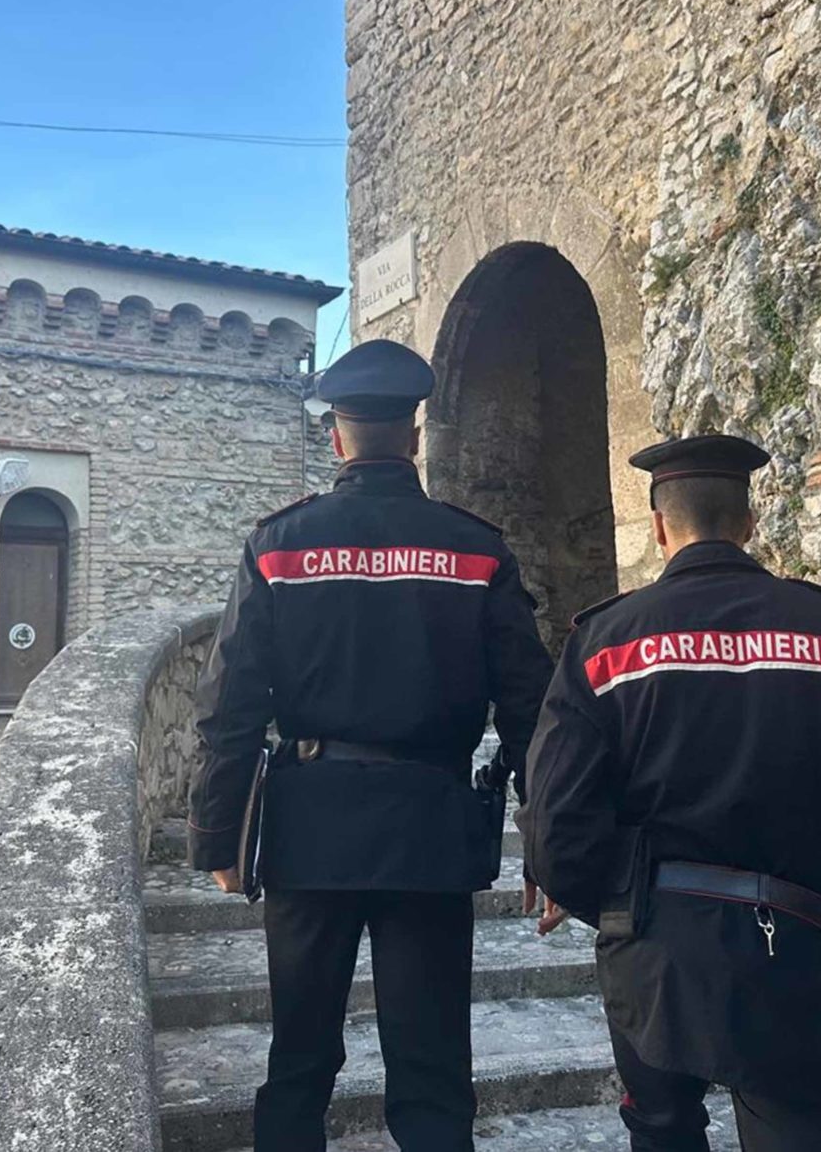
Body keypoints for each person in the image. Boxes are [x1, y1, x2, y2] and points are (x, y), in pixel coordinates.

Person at [519, 434, 821, 1152]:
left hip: (657, 959)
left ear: (659, 526)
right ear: (750, 522)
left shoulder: (605, 643)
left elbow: (555, 829)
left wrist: (623, 907)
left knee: (662, 1134)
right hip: (805, 951)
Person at [187, 338, 554, 1152]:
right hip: (430, 830)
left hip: (309, 830)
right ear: (415, 436)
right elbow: (532, 709)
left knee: (299, 1061)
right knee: (432, 1074)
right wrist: (551, 840)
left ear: (336, 439)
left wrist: (217, 834)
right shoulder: (476, 549)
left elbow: (229, 704)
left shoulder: (279, 545)